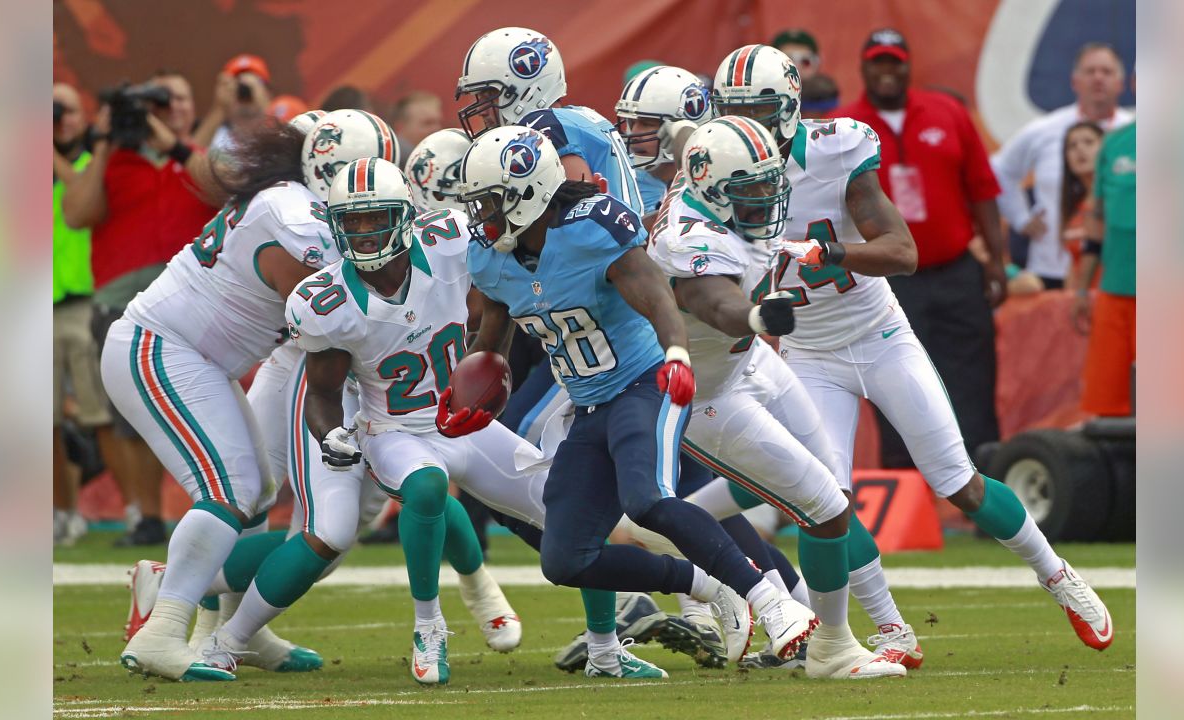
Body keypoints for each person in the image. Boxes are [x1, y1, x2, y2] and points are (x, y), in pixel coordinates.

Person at [684, 41, 1114, 661]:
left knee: (956, 481)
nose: (746, 123)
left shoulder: (836, 150)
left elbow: (903, 252)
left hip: (877, 333)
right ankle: (890, 629)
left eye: (758, 109)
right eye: (735, 109)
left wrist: (828, 252)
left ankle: (1058, 576)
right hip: (807, 353)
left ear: (787, 108)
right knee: (822, 498)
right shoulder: (712, 168)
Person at [461, 126, 814, 665]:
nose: (482, 215)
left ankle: (773, 602)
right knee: (565, 558)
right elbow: (493, 334)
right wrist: (473, 393)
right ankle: (707, 585)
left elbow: (657, 298)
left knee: (647, 499)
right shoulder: (493, 257)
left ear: (529, 192)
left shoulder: (589, 228)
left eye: (492, 201)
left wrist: (676, 352)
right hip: (588, 406)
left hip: (644, 382)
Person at [104, 109, 400, 682]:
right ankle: (163, 625)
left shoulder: (292, 198)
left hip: (199, 357)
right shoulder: (296, 216)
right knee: (231, 487)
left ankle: (235, 629)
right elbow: (338, 309)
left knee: (258, 489)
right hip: (160, 346)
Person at [645, 116, 905, 680]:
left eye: (769, 183)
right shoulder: (691, 237)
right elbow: (712, 301)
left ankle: (689, 532)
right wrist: (759, 314)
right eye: (750, 189)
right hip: (705, 394)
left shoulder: (716, 193)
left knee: (831, 490)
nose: (766, 196)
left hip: (752, 364)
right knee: (826, 507)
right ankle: (832, 648)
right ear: (714, 190)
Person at [832, 28, 1008, 471]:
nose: (887, 71)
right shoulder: (842, 127)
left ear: (909, 65)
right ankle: (908, 483)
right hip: (886, 278)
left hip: (954, 268)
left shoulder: (948, 112)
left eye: (895, 61)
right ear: (864, 68)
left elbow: (982, 192)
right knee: (895, 379)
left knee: (973, 370)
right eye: (878, 62)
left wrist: (998, 262)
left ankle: (982, 471)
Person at [63, 69, 224, 547]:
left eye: (177, 99)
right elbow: (77, 213)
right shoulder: (112, 162)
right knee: (127, 412)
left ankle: (215, 504)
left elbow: (218, 191)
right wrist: (109, 143)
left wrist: (171, 142)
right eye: (160, 102)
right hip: (120, 298)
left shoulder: (194, 158)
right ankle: (148, 516)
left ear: (193, 108)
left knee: (206, 399)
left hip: (193, 295)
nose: (169, 108)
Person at [455, 26, 643, 213]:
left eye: (489, 94)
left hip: (595, 241)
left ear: (526, 86)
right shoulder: (580, 115)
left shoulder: (543, 125)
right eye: (478, 97)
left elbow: (576, 212)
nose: (480, 109)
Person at [991, 43, 1133, 288]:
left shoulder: (1136, 132)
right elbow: (998, 170)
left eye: (1107, 72)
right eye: (1090, 71)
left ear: (1121, 83)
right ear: (1074, 81)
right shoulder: (1045, 129)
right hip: (1051, 267)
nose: (1098, 78)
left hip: (1119, 271)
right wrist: (1020, 218)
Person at [53, 82, 122, 545]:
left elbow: (84, 203)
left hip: (84, 301)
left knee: (101, 414)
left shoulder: (92, 162)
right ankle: (63, 512)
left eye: (66, 110)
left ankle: (137, 509)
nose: (58, 119)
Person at [1073, 118, 1135, 417]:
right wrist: (1082, 289)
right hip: (1116, 292)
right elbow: (1096, 224)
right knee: (1110, 404)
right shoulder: (1114, 144)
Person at [614, 65, 712, 221]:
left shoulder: (714, 179)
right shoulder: (621, 177)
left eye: (646, 123)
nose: (635, 134)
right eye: (631, 123)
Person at [195, 54, 274, 153]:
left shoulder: (279, 136)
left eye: (254, 82)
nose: (244, 92)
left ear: (268, 93)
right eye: (238, 87)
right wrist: (219, 109)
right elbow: (187, 162)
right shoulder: (214, 139)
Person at [1058, 121, 1105, 287]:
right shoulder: (1073, 207)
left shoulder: (1121, 202)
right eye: (1072, 146)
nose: (1080, 149)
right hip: (1082, 304)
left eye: (1089, 142)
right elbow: (1074, 263)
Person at [391, 91, 445, 166]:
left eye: (438, 122)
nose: (436, 129)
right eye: (427, 123)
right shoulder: (395, 163)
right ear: (400, 126)